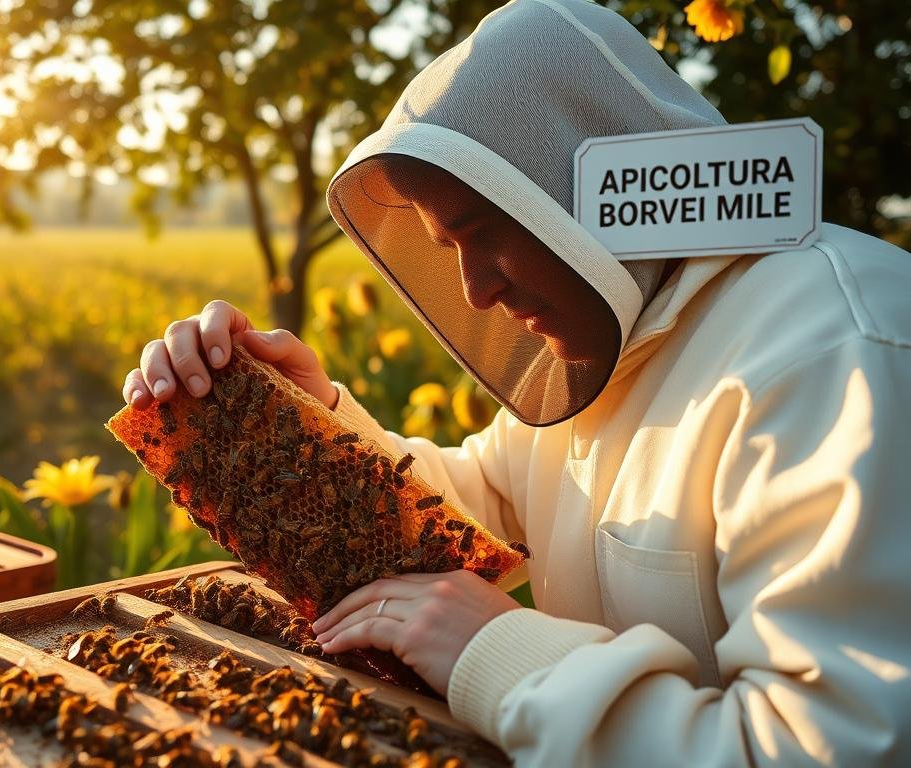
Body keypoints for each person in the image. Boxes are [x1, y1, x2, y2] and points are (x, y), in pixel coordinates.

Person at [122, 0, 911, 764]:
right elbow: (476, 516)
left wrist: (495, 651)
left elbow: (827, 746)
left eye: (483, 230)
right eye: (446, 247)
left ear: (575, 190)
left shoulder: (837, 345)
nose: (474, 291)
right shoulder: (609, 337)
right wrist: (301, 419)